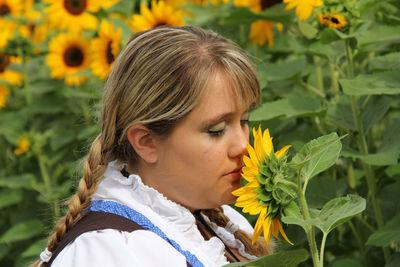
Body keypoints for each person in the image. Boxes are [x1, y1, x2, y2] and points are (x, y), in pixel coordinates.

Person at [34, 26, 274, 267]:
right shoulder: (111, 252)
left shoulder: (222, 223)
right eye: (216, 130)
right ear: (146, 142)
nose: (243, 145)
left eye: (244, 120)